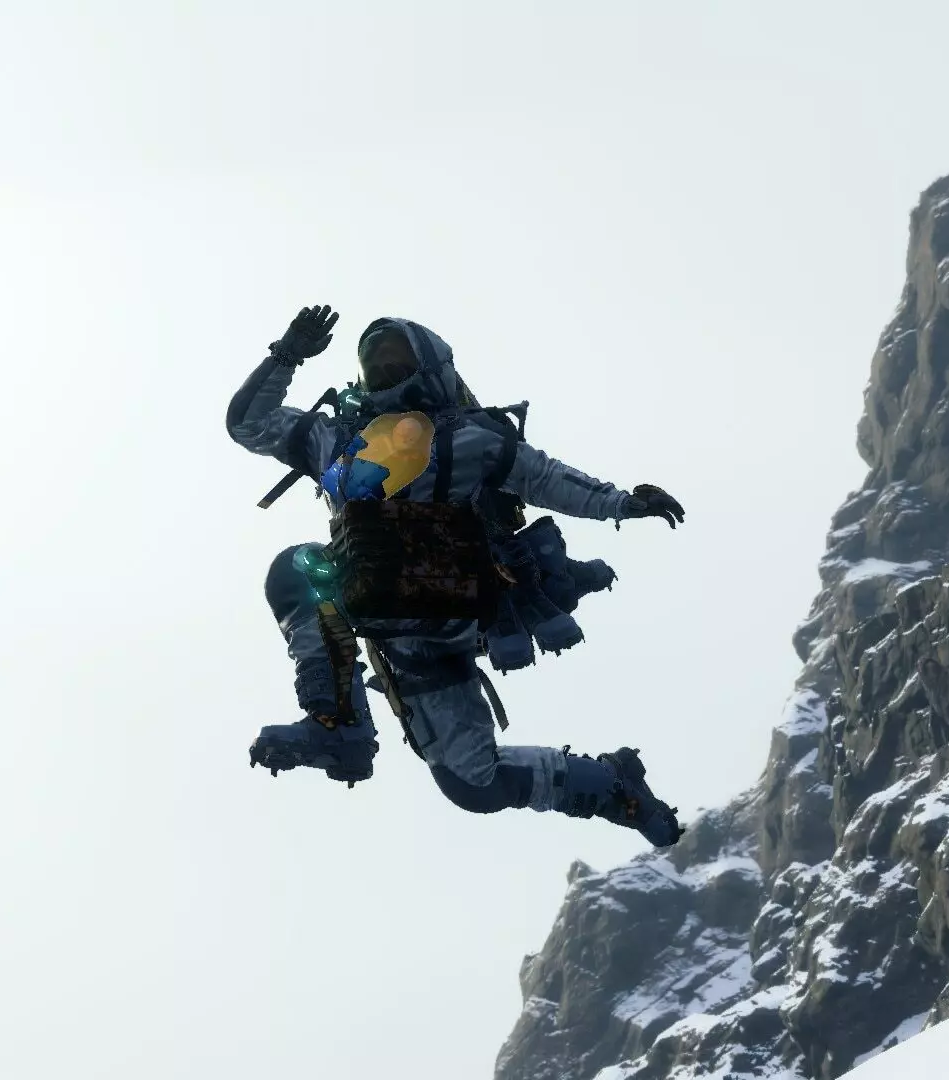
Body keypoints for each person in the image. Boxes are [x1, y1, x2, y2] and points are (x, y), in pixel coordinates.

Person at [227, 305, 689, 846]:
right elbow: (247, 424)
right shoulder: (337, 440)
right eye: (375, 364)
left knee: (299, 570)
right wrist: (285, 355)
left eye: (397, 359)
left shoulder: (469, 438)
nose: (385, 370)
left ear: (433, 366)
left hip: (447, 610)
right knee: (473, 784)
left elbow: (545, 479)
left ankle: (343, 725)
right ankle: (340, 723)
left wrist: (623, 503)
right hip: (400, 633)